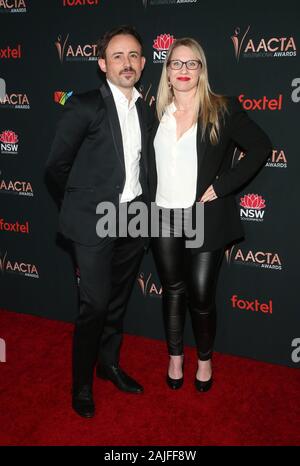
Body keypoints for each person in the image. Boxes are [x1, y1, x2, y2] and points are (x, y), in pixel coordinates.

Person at [148, 38, 272, 392]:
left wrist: (223, 186)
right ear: (167, 71)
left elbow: (262, 146)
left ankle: (204, 360)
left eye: (192, 64)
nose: (183, 71)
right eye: (176, 64)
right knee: (173, 290)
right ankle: (175, 357)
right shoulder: (154, 111)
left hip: (205, 216)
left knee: (201, 295)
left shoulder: (222, 109)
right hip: (162, 215)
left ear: (201, 70)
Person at [46, 25, 149, 418]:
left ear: (143, 63)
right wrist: (80, 208)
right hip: (94, 222)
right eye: (119, 56)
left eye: (134, 55)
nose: (127, 63)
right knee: (95, 304)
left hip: (134, 217)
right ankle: (82, 385)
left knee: (118, 302)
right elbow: (55, 167)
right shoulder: (84, 105)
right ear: (103, 63)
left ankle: (109, 366)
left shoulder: (144, 106)